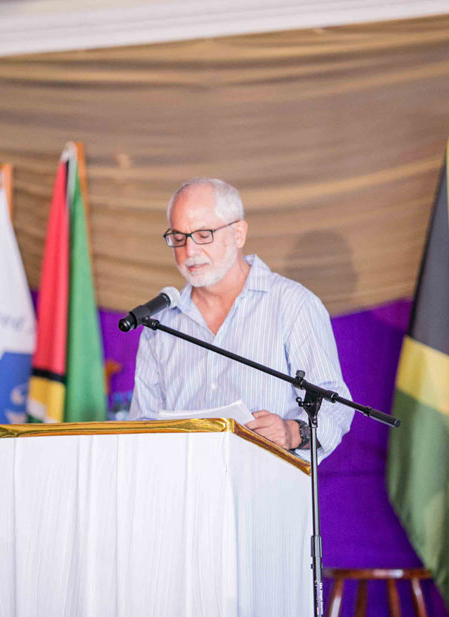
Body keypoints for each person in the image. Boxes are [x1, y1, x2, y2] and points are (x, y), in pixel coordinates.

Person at [128, 178, 352, 460]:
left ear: (238, 234)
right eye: (179, 237)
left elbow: (335, 406)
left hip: (268, 483)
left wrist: (294, 432)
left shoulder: (291, 304)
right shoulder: (160, 324)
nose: (189, 251)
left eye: (203, 234)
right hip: (185, 485)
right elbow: (143, 426)